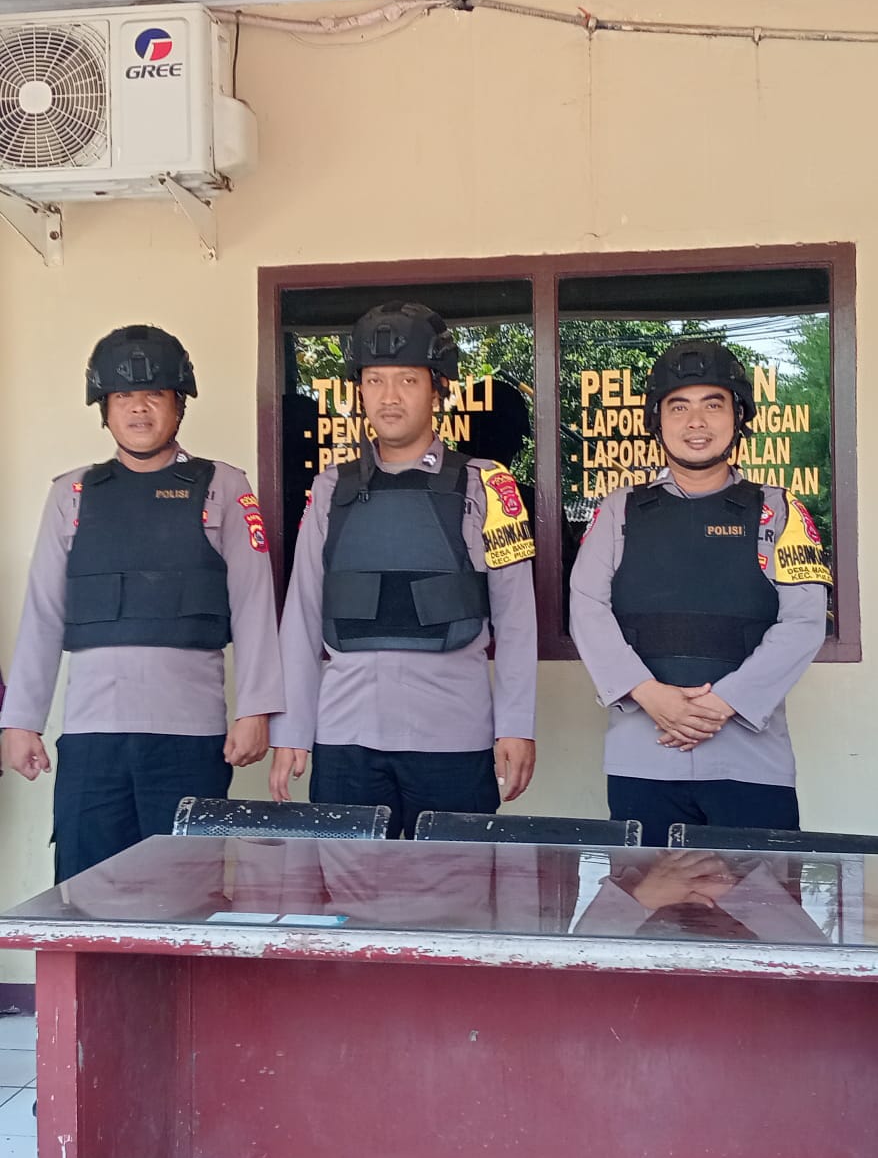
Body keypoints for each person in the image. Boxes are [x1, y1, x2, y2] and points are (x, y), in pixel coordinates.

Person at [0, 325, 282, 878]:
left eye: (154, 393)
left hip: (189, 737)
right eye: (123, 395)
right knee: (84, 890)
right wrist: (21, 721)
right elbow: (43, 613)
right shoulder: (71, 494)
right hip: (91, 738)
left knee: (189, 890)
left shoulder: (224, 487)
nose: (138, 408)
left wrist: (256, 711)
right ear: (104, 408)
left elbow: (254, 607)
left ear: (179, 404)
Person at [269, 301, 537, 835]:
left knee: (456, 886)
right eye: (375, 380)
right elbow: (301, 614)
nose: (389, 396)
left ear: (437, 389)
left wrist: (516, 725)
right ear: (360, 390)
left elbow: (516, 618)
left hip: (453, 738)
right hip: (345, 738)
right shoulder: (330, 487)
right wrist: (292, 730)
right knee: (345, 885)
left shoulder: (490, 485)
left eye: (407, 380)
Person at [570, 339, 829, 846]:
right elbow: (587, 607)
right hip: (643, 754)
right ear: (657, 419)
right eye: (678, 406)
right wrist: (648, 694)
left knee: (759, 895)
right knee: (647, 896)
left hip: (752, 762)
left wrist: (724, 703)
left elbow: (804, 621)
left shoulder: (780, 511)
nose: (696, 422)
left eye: (713, 404)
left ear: (738, 416)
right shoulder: (619, 510)